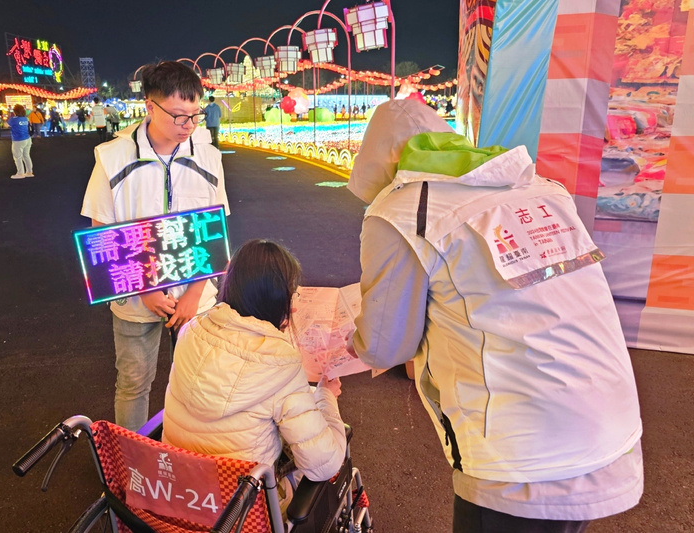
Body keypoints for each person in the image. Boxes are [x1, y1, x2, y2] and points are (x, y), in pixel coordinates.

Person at [346, 99, 643, 532]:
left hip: (521, 453)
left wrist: (347, 339)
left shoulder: (401, 211)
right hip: (608, 422)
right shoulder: (539, 188)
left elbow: (386, 344)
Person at [80, 60, 229, 432]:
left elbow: (214, 229)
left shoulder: (208, 156)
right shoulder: (113, 158)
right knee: (133, 384)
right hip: (135, 299)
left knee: (200, 385)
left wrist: (195, 294)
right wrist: (144, 288)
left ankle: (192, 462)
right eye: (179, 116)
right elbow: (103, 234)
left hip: (196, 298)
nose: (189, 126)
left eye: (194, 115)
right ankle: (132, 467)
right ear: (149, 105)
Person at [162, 239, 346, 485]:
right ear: (279, 300)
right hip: (240, 512)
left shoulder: (191, 331)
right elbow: (324, 464)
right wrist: (326, 398)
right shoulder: (280, 363)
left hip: (172, 492)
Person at [7, 104, 33, 179]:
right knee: (26, 156)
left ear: (15, 111)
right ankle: (29, 172)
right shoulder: (25, 119)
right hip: (27, 139)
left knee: (18, 157)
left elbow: (6, 125)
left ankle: (20, 173)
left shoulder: (13, 119)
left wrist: (9, 116)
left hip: (18, 140)